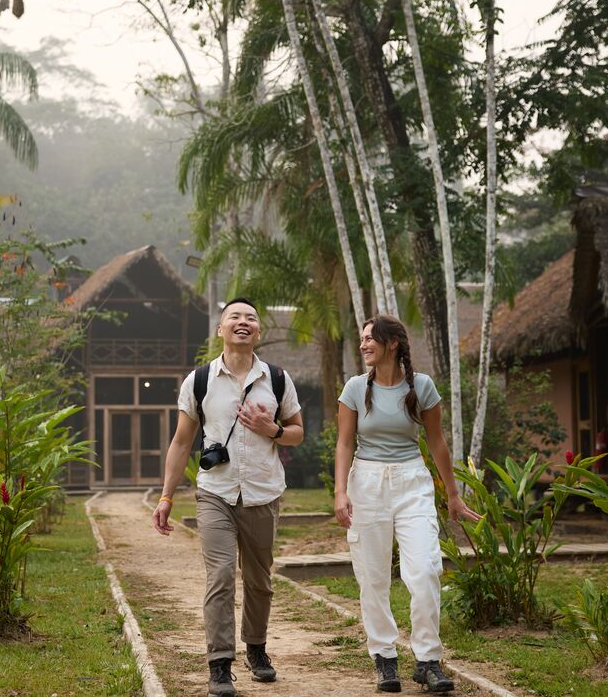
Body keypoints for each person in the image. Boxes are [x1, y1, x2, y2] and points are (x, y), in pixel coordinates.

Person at [153, 297, 304, 697]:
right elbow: (182, 440)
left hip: (263, 493)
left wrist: (269, 428)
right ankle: (220, 663)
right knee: (220, 575)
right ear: (220, 329)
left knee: (259, 581)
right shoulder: (199, 380)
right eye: (234, 317)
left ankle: (256, 648)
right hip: (215, 492)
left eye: (250, 318)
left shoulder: (277, 378)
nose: (243, 322)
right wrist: (167, 497)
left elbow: (297, 432)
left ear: (258, 331)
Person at [333, 314, 481, 694]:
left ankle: (428, 660)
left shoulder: (422, 386)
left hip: (411, 481)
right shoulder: (354, 388)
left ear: (392, 343)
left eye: (370, 338)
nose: (364, 344)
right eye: (362, 338)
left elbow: (437, 442)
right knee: (373, 575)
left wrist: (452, 494)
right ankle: (384, 658)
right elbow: (345, 443)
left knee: (426, 569)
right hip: (366, 482)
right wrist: (340, 492)